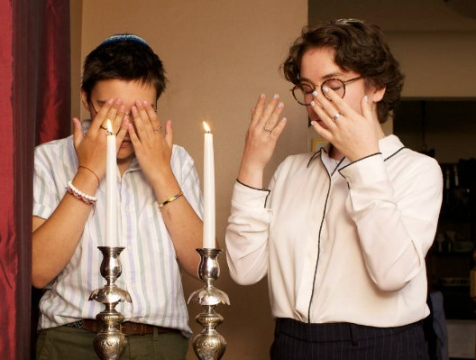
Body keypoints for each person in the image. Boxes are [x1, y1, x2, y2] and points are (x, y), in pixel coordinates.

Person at [225, 19, 442, 359]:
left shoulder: (416, 170)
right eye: (309, 88)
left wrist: (364, 161)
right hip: (291, 344)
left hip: (381, 347)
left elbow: (391, 275)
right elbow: (244, 269)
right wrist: (252, 165)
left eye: (334, 84)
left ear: (377, 87)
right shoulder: (290, 171)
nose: (317, 100)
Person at [32, 34, 203, 360]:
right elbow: (39, 271)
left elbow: (201, 264)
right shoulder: (50, 159)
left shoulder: (177, 161)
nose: (123, 126)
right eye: (109, 109)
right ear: (85, 98)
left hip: (158, 340)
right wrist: (89, 171)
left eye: (140, 112)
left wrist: (161, 174)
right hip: (70, 340)